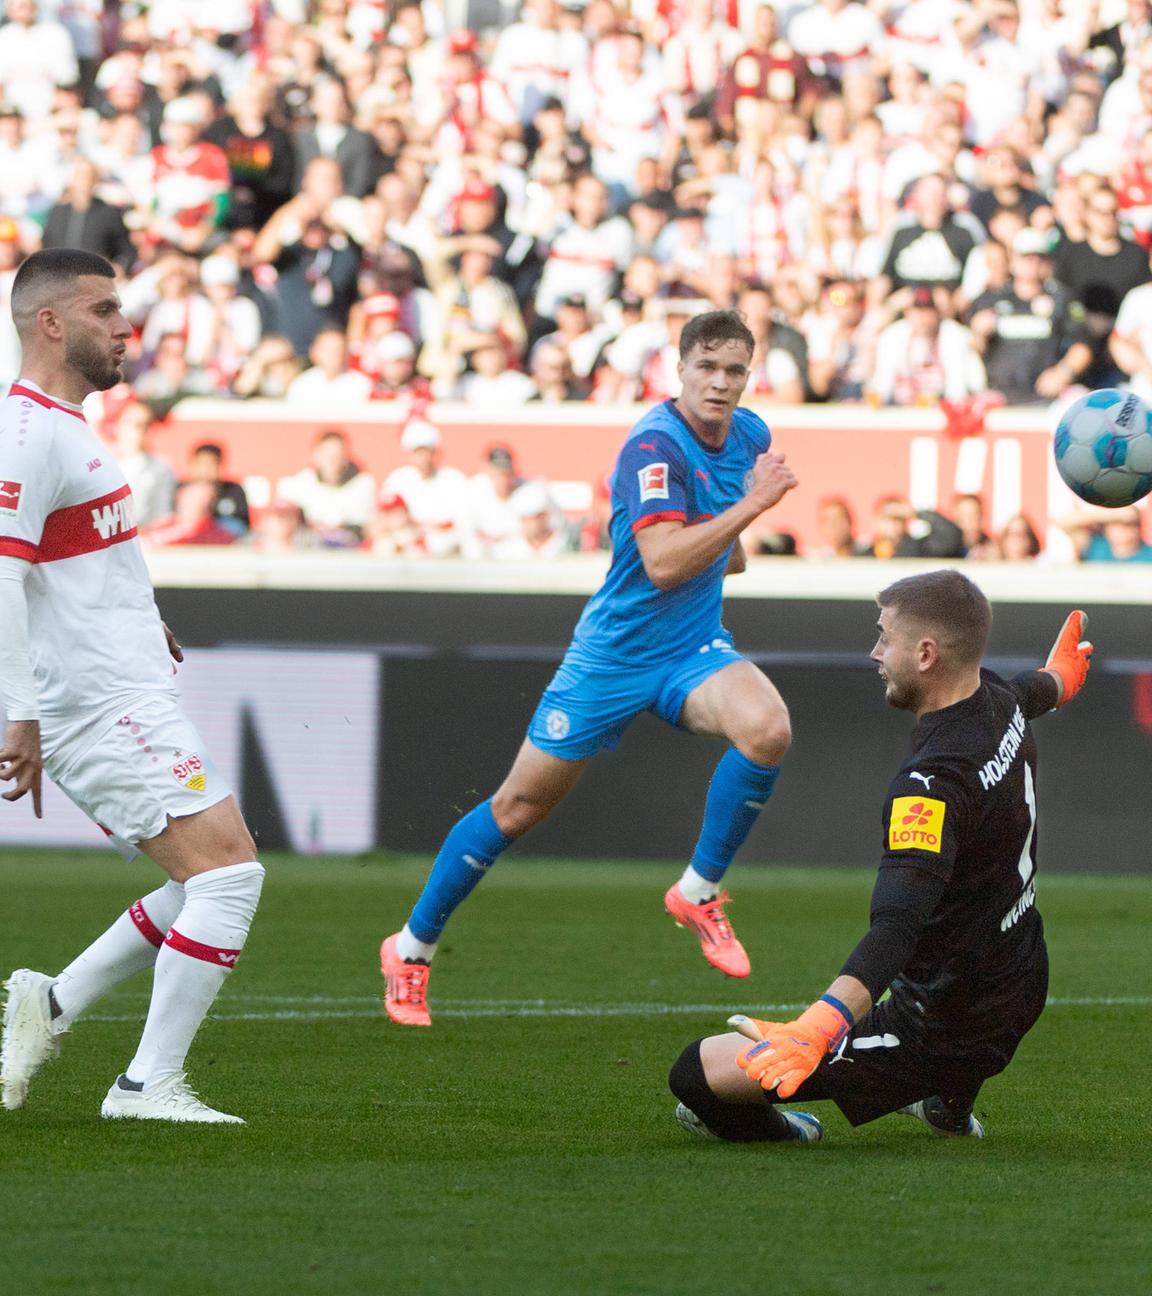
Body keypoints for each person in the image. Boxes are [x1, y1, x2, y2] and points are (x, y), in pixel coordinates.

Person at [379, 310, 798, 1026]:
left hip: (691, 650)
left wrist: (735, 531)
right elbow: (664, 564)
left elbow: (722, 544)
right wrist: (753, 508)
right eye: (708, 367)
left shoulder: (751, 434)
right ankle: (411, 948)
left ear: (748, 374)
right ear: (681, 368)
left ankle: (697, 891)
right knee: (518, 807)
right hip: (612, 656)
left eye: (735, 370)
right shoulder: (651, 448)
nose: (721, 383)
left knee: (768, 728)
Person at [668, 570, 1093, 1144]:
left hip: (944, 1022)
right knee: (960, 950)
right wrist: (1061, 678)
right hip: (1022, 974)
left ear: (924, 654)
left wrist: (815, 1027)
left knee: (695, 1074)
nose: (874, 653)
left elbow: (897, 927)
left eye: (883, 637)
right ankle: (946, 1103)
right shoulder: (995, 700)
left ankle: (797, 1131)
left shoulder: (930, 784)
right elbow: (1030, 692)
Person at [0, 249, 264, 1124]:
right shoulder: (28, 433)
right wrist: (21, 715)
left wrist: (138, 612)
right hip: (92, 703)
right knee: (229, 876)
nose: (125, 327)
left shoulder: (68, 424)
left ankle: (54, 1003)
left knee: (206, 875)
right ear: (51, 323)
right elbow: (2, 577)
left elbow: (72, 559)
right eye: (106, 310)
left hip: (125, 685)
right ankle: (147, 1083)